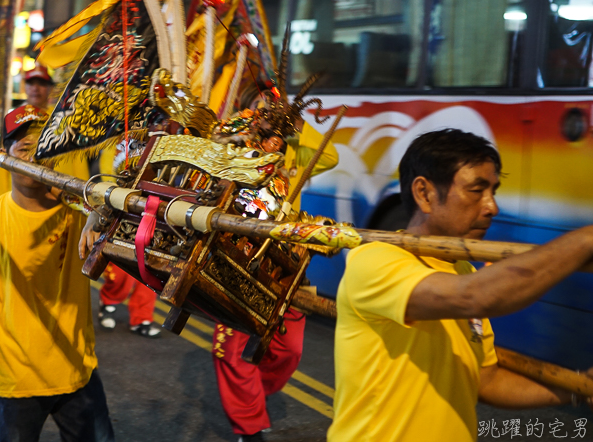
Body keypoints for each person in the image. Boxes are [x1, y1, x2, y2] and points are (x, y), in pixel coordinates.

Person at [328, 129, 593, 442]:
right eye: (476, 191)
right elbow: (475, 297)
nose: (491, 206)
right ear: (424, 194)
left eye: (493, 191)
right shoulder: (374, 260)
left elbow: (487, 380)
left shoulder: (465, 271)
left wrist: (577, 388)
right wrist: (586, 240)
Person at [0, 104, 115, 442]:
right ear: (3, 155)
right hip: (16, 378)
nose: (34, 158)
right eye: (24, 148)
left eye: (43, 149)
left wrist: (96, 215)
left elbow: (115, 208)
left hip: (77, 371)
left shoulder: (79, 212)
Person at [211, 93, 339, 442]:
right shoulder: (236, 145)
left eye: (276, 108)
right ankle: (248, 425)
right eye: (263, 108)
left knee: (289, 349)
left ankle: (252, 391)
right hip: (233, 253)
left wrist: (299, 126)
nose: (270, 115)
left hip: (281, 258)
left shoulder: (293, 153)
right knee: (230, 348)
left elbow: (330, 155)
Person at [0, 64, 89, 202]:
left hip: (63, 196)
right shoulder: (15, 120)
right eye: (31, 83)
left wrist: (82, 194)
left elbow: (78, 159)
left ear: (50, 88)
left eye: (41, 84)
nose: (36, 88)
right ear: (25, 87)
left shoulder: (64, 118)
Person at [95, 143, 162, 338]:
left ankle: (142, 318)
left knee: (150, 266)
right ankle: (109, 299)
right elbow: (108, 178)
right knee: (121, 272)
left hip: (153, 209)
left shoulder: (164, 137)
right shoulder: (117, 142)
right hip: (123, 210)